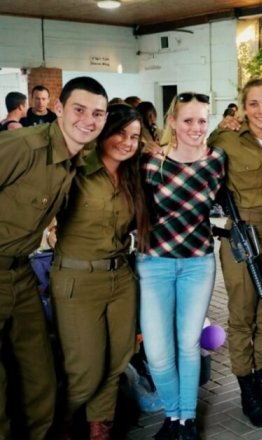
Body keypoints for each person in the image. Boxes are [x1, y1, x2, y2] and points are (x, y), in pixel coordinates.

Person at [0, 76, 108, 440]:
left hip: (21, 273)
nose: (88, 120)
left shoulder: (79, 156)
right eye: (79, 109)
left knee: (40, 379)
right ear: (59, 108)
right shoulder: (23, 145)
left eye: (98, 113)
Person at [50, 103, 148, 439]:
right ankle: (58, 423)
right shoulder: (78, 168)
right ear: (105, 131)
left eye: (134, 136)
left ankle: (99, 429)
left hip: (121, 278)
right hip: (78, 279)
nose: (127, 142)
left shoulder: (133, 174)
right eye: (121, 132)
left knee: (117, 362)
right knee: (86, 370)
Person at [137, 92, 226, 440]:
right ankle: (172, 413)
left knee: (188, 345)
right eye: (187, 120)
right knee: (158, 353)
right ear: (172, 121)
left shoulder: (217, 159)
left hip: (197, 263)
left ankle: (185, 420)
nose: (196, 127)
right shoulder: (150, 164)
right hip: (154, 264)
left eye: (202, 120)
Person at [207, 78, 262, 428]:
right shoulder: (225, 139)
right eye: (253, 104)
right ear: (241, 108)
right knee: (242, 312)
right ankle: (246, 391)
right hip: (241, 233)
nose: (261, 110)